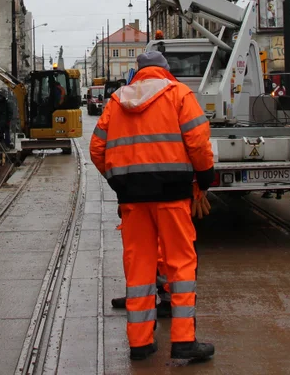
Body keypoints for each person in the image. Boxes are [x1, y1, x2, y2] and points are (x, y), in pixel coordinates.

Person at [90, 51, 215, 363]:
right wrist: (204, 176)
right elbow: (198, 141)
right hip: (173, 195)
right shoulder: (179, 95)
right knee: (181, 265)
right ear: (166, 71)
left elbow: (97, 148)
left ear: (138, 72)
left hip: (132, 199)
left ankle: (141, 343)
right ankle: (184, 341)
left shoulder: (117, 100)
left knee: (139, 267)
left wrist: (117, 179)